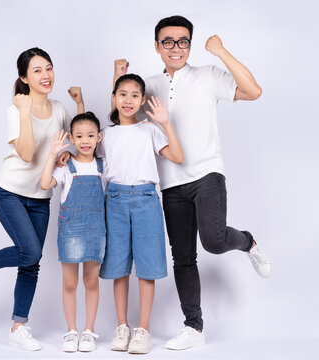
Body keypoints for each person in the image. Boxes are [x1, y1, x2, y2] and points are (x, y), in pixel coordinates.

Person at [113, 15, 272, 350]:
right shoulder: (149, 85)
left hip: (207, 174)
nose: (176, 47)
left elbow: (254, 91)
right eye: (168, 41)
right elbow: (122, 117)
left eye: (183, 41)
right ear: (157, 46)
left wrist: (221, 52)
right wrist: (117, 76)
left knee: (213, 240)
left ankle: (248, 242)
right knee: (183, 257)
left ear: (190, 45)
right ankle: (194, 327)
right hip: (170, 185)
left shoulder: (208, 76)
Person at [0, 47, 84, 351]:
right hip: (8, 191)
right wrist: (23, 110)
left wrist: (65, 152)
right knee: (29, 252)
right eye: (37, 70)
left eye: (49, 68)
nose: (45, 76)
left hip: (40, 197)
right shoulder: (15, 110)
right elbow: (28, 153)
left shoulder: (59, 109)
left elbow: (73, 141)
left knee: (31, 263)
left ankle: (18, 327)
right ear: (24, 77)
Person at [99, 74, 183, 354]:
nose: (128, 100)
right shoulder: (106, 134)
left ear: (142, 101)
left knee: (146, 267)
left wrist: (165, 122)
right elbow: (84, 147)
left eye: (135, 95)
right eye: (122, 94)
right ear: (114, 97)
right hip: (116, 199)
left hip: (146, 198)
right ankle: (122, 326)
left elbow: (178, 156)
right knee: (118, 268)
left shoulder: (150, 130)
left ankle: (143, 329)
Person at [39, 112, 106, 353]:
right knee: (70, 282)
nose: (85, 140)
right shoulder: (66, 166)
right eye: (79, 136)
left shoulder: (103, 166)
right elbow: (45, 184)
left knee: (91, 281)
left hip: (97, 229)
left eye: (90, 135)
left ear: (99, 137)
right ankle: (71, 331)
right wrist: (53, 153)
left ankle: (89, 331)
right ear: (71, 138)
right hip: (71, 230)